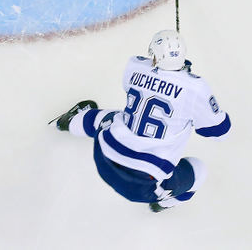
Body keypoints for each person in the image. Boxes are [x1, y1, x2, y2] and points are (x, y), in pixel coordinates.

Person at [50, 30, 231, 211]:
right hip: (143, 187)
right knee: (199, 171)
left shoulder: (136, 66)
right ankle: (163, 203)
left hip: (104, 157)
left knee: (107, 118)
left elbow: (137, 87)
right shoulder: (196, 88)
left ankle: (69, 122)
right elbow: (220, 132)